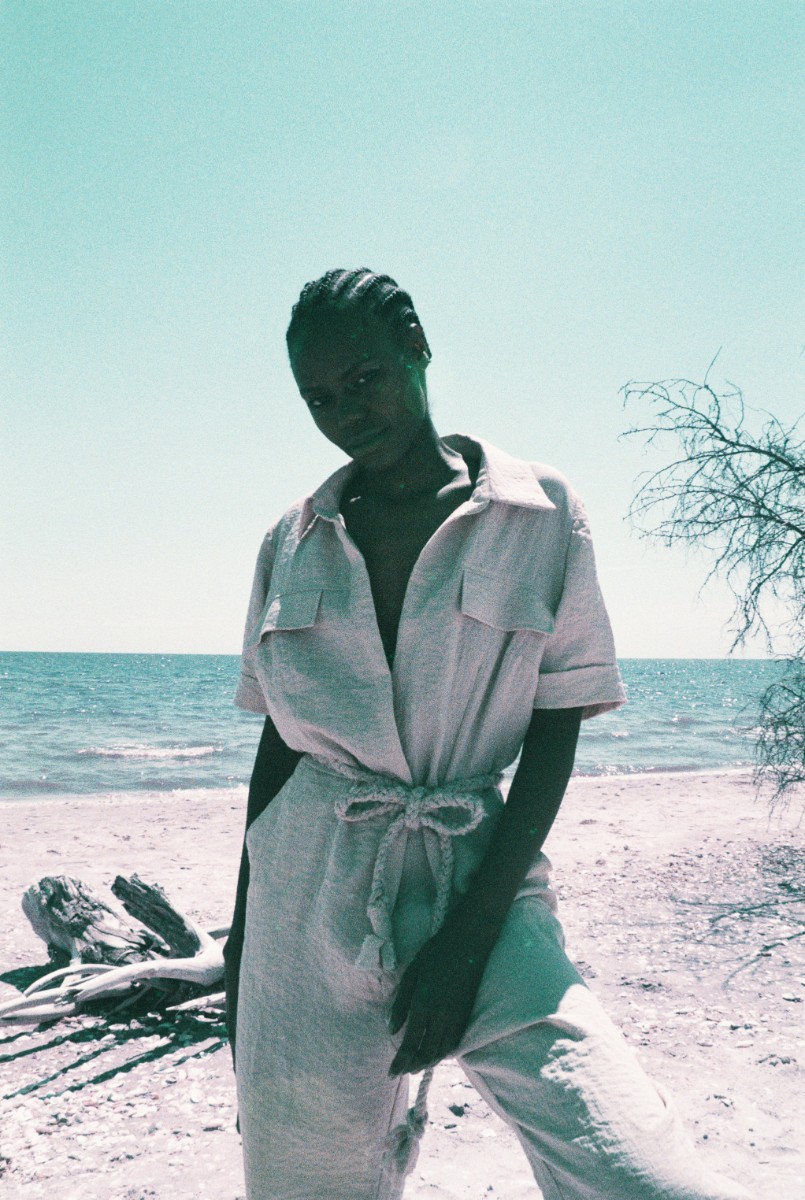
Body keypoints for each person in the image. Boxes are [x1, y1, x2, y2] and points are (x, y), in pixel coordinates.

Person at [223, 268, 751, 1200]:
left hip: (480, 872)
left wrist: (468, 943)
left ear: (417, 346)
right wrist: (241, 945)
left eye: (363, 377)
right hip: (303, 899)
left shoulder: (538, 513)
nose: (345, 412)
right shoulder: (291, 540)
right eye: (318, 398)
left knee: (639, 1172)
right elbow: (280, 748)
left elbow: (555, 727)